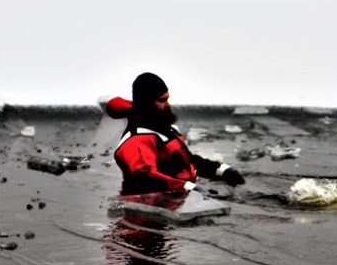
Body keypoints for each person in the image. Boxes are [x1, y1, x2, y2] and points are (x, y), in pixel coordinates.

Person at [103, 72, 245, 196]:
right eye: (162, 100)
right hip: (152, 206)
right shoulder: (136, 141)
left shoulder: (164, 129)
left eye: (167, 99)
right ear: (147, 104)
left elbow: (185, 160)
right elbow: (144, 176)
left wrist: (221, 170)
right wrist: (190, 188)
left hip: (184, 192)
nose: (168, 105)